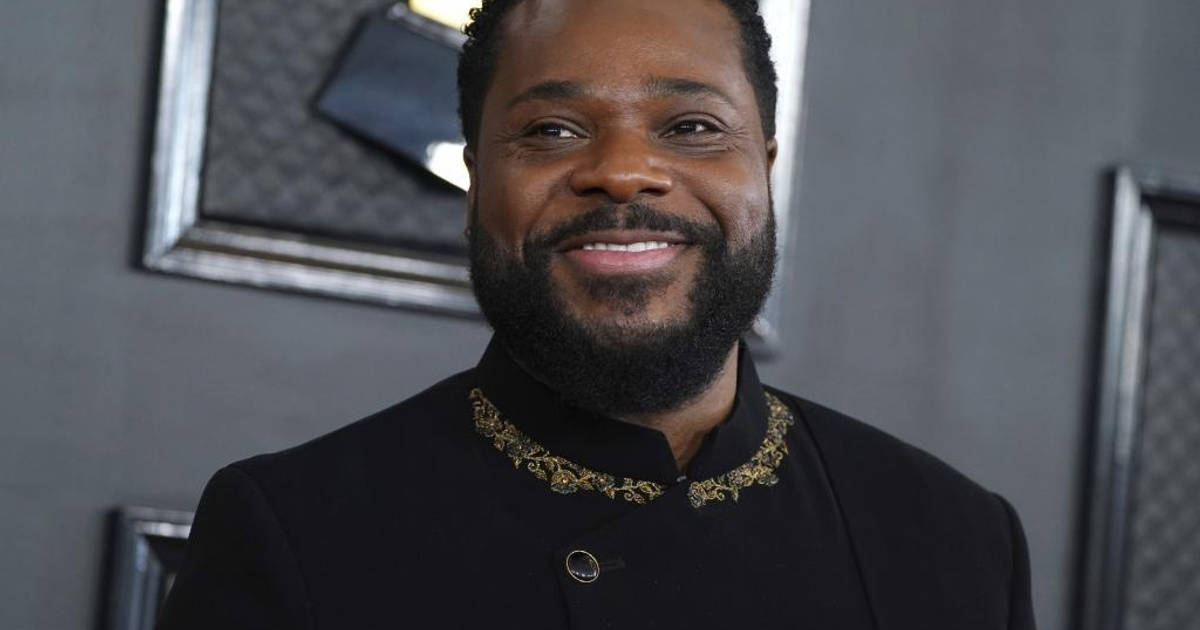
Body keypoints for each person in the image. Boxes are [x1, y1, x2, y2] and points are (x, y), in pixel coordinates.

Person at [157, 0, 1037, 628]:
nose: (622, 172)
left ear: (764, 169)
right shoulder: (296, 529)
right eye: (551, 131)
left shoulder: (959, 539)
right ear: (477, 182)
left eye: (691, 127)